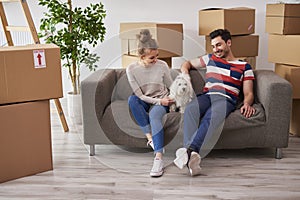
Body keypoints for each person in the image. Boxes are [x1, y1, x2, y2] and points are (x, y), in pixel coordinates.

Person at [173, 29, 256, 176]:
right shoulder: (210, 58)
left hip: (226, 99)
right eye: (213, 46)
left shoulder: (244, 67)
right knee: (191, 109)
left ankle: (189, 151)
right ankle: (191, 157)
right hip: (207, 95)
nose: (215, 49)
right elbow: (186, 64)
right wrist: (186, 76)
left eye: (218, 45)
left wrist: (247, 103)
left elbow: (249, 93)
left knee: (211, 117)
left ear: (228, 43)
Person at [126, 29, 174, 177]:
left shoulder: (162, 66)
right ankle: (151, 139)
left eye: (157, 56)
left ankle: (158, 158)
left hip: (162, 99)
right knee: (132, 100)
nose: (156, 60)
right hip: (145, 99)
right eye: (152, 58)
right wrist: (158, 100)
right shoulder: (131, 69)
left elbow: (171, 86)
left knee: (155, 116)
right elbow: (140, 95)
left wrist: (168, 100)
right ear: (142, 57)